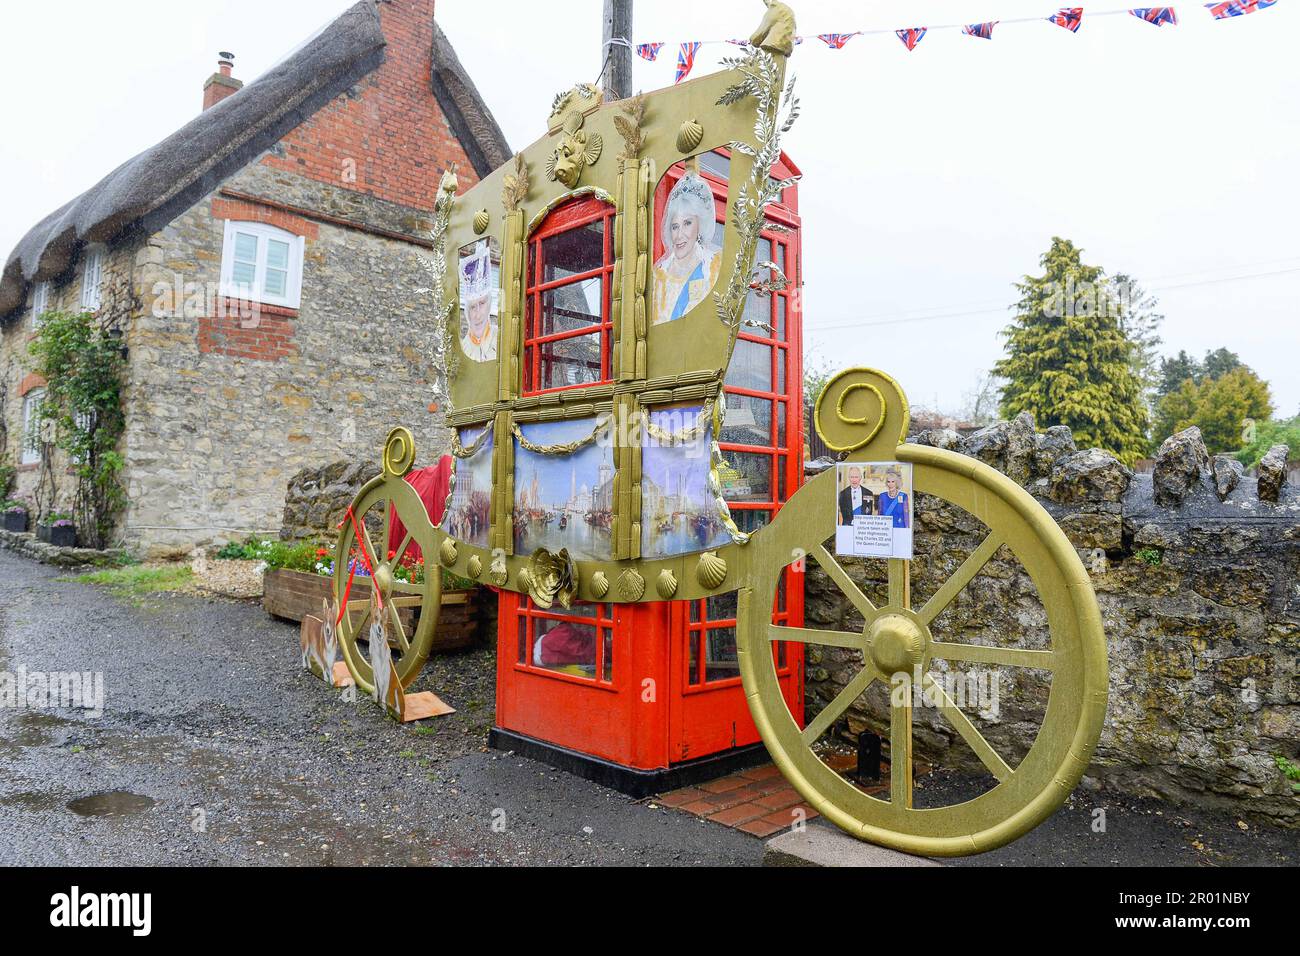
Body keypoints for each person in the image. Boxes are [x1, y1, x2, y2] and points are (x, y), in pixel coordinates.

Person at [652, 171, 722, 325]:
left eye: (687, 223)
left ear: (700, 225)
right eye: (675, 226)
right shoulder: (658, 275)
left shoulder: (715, 266)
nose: (679, 235)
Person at [459, 241, 498, 362]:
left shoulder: (501, 338)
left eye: (482, 303)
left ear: (489, 304)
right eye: (472, 307)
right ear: (467, 312)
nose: (478, 313)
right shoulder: (461, 348)